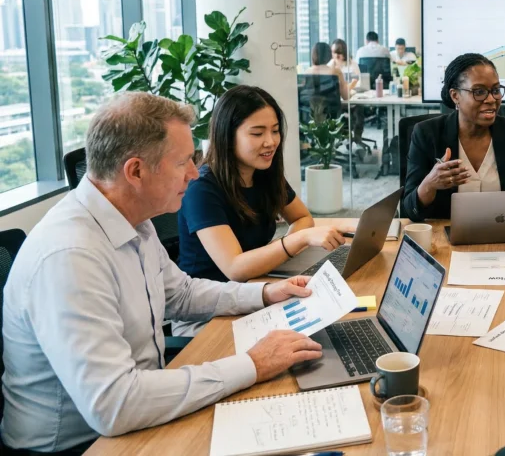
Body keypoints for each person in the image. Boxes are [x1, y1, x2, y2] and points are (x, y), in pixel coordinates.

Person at [1, 93, 323, 454]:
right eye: (183, 161)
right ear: (135, 171)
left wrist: (263, 295)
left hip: (140, 406)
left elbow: (179, 293)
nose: (193, 173)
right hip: (82, 445)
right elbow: (114, 405)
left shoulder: (132, 219)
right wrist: (251, 364)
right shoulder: (70, 257)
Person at [177, 85, 350, 287]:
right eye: (258, 134)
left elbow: (302, 218)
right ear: (228, 136)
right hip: (209, 308)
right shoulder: (201, 188)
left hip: (256, 286)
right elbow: (235, 268)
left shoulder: (263, 172)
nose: (270, 142)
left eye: (275, 131)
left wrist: (277, 254)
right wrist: (295, 242)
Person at [403, 53, 505, 221]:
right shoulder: (427, 133)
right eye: (479, 92)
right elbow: (409, 210)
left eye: (495, 90)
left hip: (503, 237)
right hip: (445, 239)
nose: (491, 99)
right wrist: (429, 184)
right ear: (455, 96)